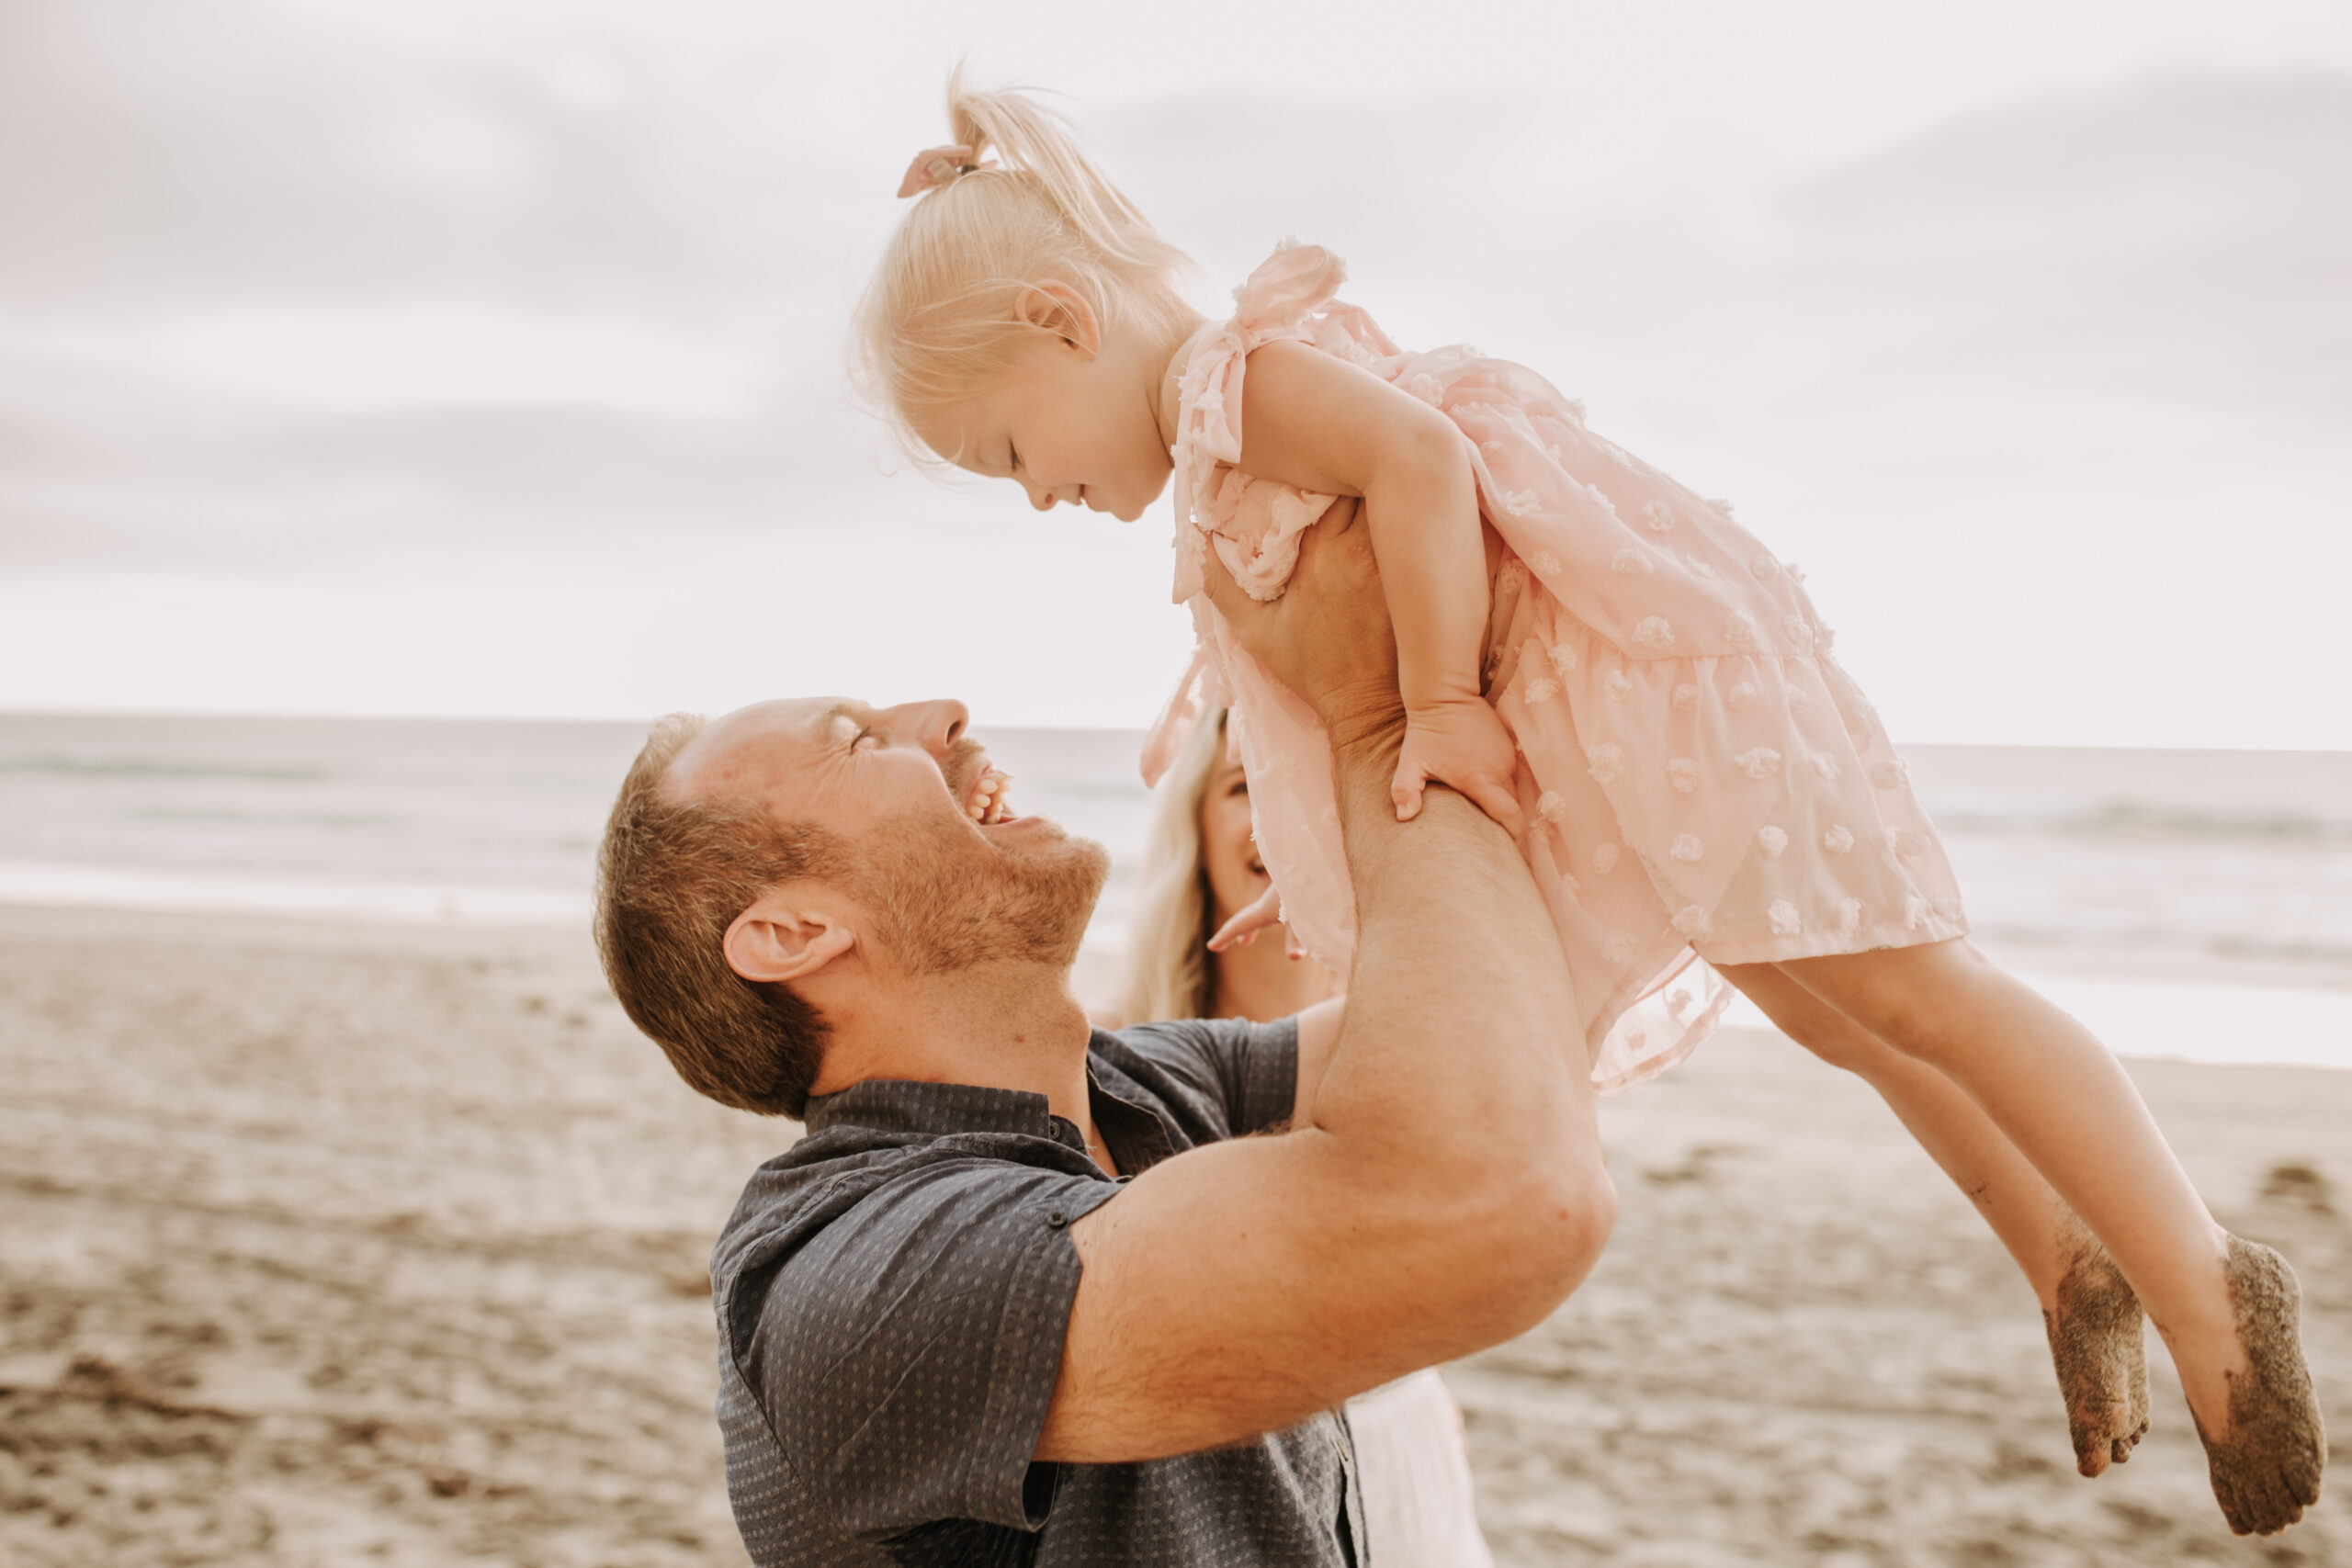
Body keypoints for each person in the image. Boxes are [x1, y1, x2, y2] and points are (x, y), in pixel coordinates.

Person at [852, 75, 2325, 1535]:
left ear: (1062, 320)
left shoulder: (1234, 390)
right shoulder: (1216, 429)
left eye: (1007, 452)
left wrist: (1436, 704)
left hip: (1649, 685)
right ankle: (2064, 1251)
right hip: (1612, 732)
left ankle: (2207, 1285)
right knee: (1832, 1011)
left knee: (1915, 983)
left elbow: (1422, 463)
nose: (1035, 494)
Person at [594, 512, 1615, 1563]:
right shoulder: (849, 1284)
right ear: (794, 933)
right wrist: (1369, 721)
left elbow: (1510, 1007)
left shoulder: (1139, 1090)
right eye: (857, 741)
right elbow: (1507, 1198)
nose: (944, 711)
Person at [1106, 705, 1495, 1567]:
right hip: (1207, 1487)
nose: (1281, 814)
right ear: (1195, 827)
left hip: (1401, 1457)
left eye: (1306, 787)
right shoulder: (1114, 1055)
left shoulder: (1419, 1042)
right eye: (1247, 786)